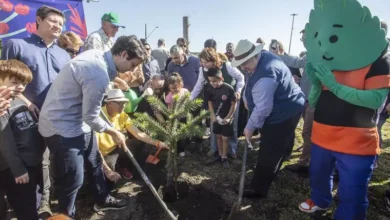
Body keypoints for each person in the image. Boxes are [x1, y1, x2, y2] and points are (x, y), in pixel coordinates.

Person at [298, 1, 390, 219]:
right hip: (322, 135)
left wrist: (337, 86)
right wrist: (316, 82)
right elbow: (316, 99)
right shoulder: (329, 58)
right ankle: (320, 200)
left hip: (355, 141)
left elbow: (375, 100)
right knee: (319, 174)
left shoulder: (379, 61)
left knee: (351, 190)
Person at [38, 36, 146, 217]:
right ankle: (65, 214)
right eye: (133, 64)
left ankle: (102, 199)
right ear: (123, 54)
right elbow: (91, 116)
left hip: (80, 124)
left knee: (94, 161)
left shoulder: (99, 57)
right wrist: (113, 132)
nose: (133, 70)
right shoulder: (97, 72)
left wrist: (114, 82)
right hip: (62, 128)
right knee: (73, 179)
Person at [1, 5, 71, 216]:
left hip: (53, 120)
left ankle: (43, 203)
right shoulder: (17, 45)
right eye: (53, 21)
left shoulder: (64, 55)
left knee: (44, 160)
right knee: (16, 158)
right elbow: (5, 78)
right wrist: (27, 103)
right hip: (19, 119)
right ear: (38, 20)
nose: (57, 26)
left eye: (60, 24)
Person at [232, 39, 304, 198]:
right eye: (240, 63)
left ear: (255, 55)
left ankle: (258, 189)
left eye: (245, 63)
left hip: (285, 110)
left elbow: (263, 108)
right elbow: (250, 81)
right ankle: (275, 166)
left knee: (269, 150)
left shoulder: (266, 74)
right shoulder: (261, 58)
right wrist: (246, 97)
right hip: (285, 104)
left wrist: (250, 127)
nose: (243, 67)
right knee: (278, 143)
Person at [0, 60, 42, 220]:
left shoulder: (18, 100)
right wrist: (18, 169)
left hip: (30, 163)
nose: (20, 87)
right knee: (25, 208)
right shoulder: (2, 106)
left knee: (32, 202)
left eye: (23, 83)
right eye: (14, 82)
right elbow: (5, 140)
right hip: (14, 170)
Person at [97, 89, 168, 183]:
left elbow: (138, 134)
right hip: (103, 152)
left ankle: (127, 167)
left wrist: (157, 143)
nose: (123, 106)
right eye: (120, 103)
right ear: (109, 103)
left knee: (138, 144)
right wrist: (108, 170)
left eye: (125, 103)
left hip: (117, 145)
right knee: (109, 176)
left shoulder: (122, 115)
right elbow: (94, 149)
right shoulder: (97, 117)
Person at [191, 47, 245, 159]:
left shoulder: (227, 66)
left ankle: (232, 148)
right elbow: (198, 86)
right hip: (215, 101)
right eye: (202, 61)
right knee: (214, 124)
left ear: (213, 59)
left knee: (231, 125)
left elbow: (241, 77)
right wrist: (189, 100)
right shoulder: (203, 70)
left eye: (206, 61)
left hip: (231, 100)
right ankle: (214, 148)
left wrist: (238, 91)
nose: (203, 64)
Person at [274, 30, 313, 174]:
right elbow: (298, 62)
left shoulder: (320, 54)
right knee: (294, 128)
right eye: (301, 37)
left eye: (304, 37)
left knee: (308, 132)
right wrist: (281, 54)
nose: (302, 40)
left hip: (313, 101)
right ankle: (289, 154)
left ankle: (305, 164)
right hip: (303, 98)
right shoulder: (310, 55)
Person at [206, 67, 237, 168]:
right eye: (210, 81)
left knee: (225, 138)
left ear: (221, 78)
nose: (213, 83)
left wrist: (228, 117)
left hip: (226, 119)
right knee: (218, 136)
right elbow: (209, 102)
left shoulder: (229, 89)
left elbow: (233, 104)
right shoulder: (209, 89)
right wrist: (212, 115)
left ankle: (225, 157)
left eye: (215, 81)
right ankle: (219, 155)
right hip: (216, 118)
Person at [164, 73, 200, 156]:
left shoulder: (185, 91)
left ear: (180, 84)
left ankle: (187, 147)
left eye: (176, 87)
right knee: (178, 134)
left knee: (186, 132)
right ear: (169, 87)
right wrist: (171, 118)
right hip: (176, 118)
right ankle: (179, 150)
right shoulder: (169, 96)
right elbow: (169, 108)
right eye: (171, 88)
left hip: (186, 116)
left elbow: (189, 103)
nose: (174, 89)